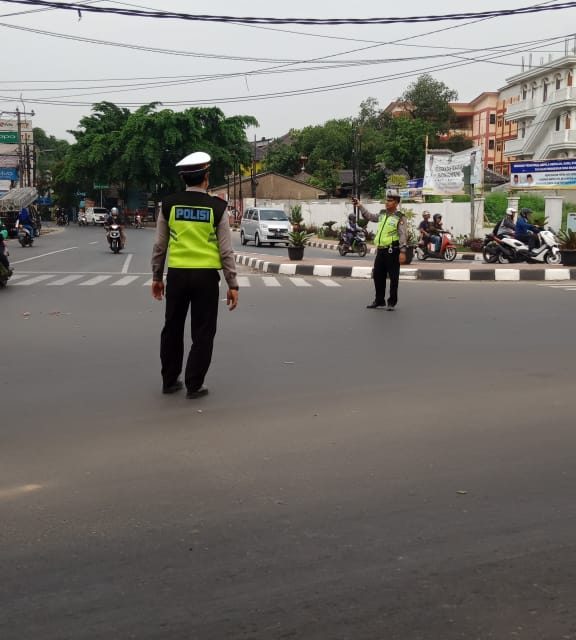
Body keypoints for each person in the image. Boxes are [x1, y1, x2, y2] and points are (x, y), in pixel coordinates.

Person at [151, 151, 239, 398]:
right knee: (203, 331)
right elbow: (226, 250)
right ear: (206, 178)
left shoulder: (169, 205)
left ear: (184, 179)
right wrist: (233, 284)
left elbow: (159, 246)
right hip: (206, 278)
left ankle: (169, 381)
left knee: (172, 328)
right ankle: (194, 384)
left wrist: (157, 277)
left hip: (177, 276)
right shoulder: (218, 207)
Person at [353, 190, 407, 311]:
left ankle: (391, 302)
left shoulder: (400, 217)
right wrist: (360, 206)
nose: (387, 203)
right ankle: (379, 300)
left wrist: (403, 251)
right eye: (386, 200)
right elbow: (370, 217)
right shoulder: (382, 214)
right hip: (381, 251)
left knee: (393, 277)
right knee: (378, 276)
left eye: (390, 201)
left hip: (392, 251)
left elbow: (403, 234)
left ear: (396, 203)